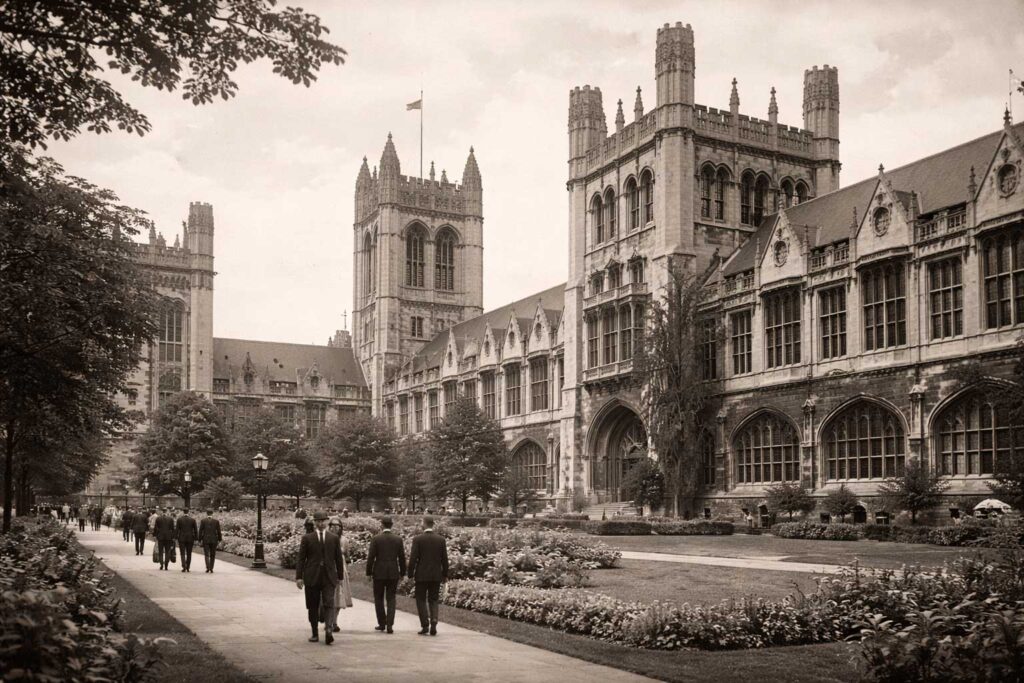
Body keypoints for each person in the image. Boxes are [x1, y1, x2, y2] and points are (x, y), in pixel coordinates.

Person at [295, 511, 345, 645]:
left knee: (329, 603)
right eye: (318, 521)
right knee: (312, 605)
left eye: (323, 521)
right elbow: (301, 559)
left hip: (329, 576)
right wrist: (299, 577)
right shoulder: (307, 538)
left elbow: (338, 559)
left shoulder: (333, 538)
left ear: (327, 522)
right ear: (315, 523)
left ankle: (328, 630)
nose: (321, 523)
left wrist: (340, 577)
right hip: (312, 576)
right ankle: (314, 633)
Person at [408, 516, 448, 636]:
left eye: (422, 522)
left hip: (421, 574)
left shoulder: (418, 539)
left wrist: (410, 573)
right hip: (436, 574)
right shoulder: (441, 540)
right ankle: (434, 620)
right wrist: (445, 574)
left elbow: (413, 558)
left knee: (420, 599)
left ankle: (425, 624)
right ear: (433, 524)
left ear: (425, 524)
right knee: (433, 599)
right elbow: (444, 559)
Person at [365, 517, 405, 634]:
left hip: (379, 571)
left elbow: (371, 557)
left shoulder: (376, 539)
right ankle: (390, 624)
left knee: (378, 598)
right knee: (391, 598)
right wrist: (402, 572)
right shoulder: (398, 539)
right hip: (393, 571)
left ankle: (382, 623)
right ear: (391, 525)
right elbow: (402, 558)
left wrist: (368, 572)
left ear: (382, 525)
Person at [325, 517, 353, 634]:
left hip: (341, 570)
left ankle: (334, 622)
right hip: (329, 570)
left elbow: (347, 556)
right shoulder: (325, 538)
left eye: (338, 526)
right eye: (333, 525)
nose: (335, 528)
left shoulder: (344, 540)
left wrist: (347, 569)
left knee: (339, 597)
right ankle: (328, 620)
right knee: (329, 597)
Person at [175, 508, 198, 572]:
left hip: (181, 538)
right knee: (189, 553)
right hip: (190, 538)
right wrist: (196, 538)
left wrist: (175, 537)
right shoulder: (192, 520)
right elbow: (195, 530)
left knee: (182, 553)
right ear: (188, 512)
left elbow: (177, 530)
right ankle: (188, 566)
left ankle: (183, 566)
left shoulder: (179, 520)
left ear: (183, 512)